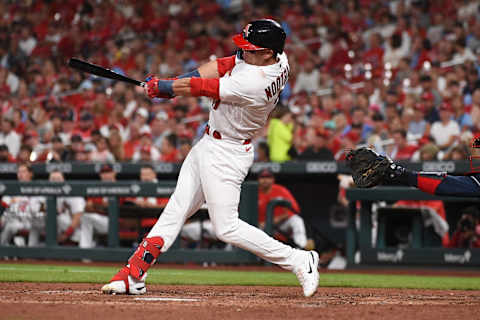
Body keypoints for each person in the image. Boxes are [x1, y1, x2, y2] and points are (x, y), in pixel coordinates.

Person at [101, 19, 319, 297]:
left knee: (226, 228)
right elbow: (222, 65)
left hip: (229, 153)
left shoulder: (254, 83)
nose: (244, 52)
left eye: (251, 49)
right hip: (209, 142)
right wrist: (171, 84)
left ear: (267, 52)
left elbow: (204, 88)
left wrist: (165, 89)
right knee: (176, 211)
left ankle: (299, 259)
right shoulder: (274, 56)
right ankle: (134, 273)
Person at [0, 163, 45, 246]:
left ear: (31, 174)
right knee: (8, 224)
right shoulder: (12, 189)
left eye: (23, 172)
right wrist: (10, 203)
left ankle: (32, 254)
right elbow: (3, 206)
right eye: (19, 172)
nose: (20, 174)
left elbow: (43, 210)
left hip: (34, 221)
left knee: (35, 226)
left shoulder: (39, 187)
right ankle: (3, 250)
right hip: (16, 220)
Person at [49, 170, 86, 245]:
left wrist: (66, 234)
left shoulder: (72, 193)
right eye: (53, 179)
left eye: (58, 179)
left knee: (59, 217)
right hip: (58, 229)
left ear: (63, 180)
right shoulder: (45, 193)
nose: (56, 182)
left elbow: (78, 217)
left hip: (78, 229)